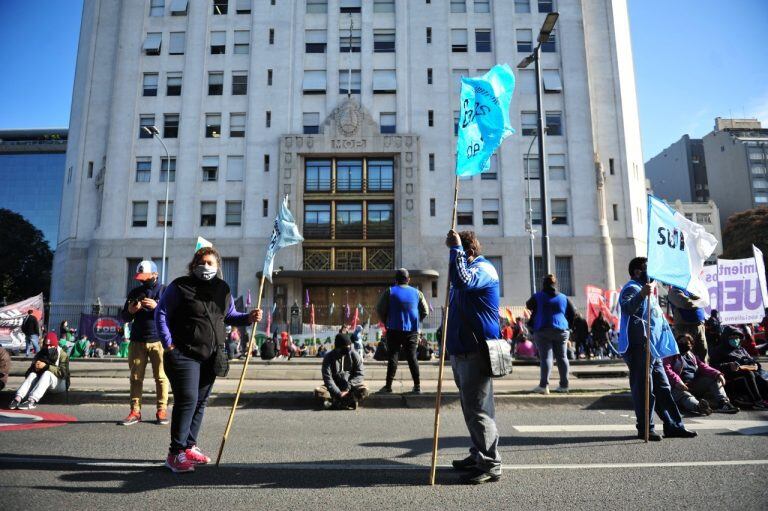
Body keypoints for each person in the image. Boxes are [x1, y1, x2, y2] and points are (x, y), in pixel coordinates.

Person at [155, 246, 262, 473]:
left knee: (200, 402)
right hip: (183, 354)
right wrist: (169, 344)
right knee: (188, 400)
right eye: (202, 262)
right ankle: (175, 454)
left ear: (217, 266)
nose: (206, 266)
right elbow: (161, 313)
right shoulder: (179, 286)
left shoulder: (222, 289)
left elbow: (230, 315)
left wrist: (249, 317)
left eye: (210, 263)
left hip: (211, 356)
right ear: (194, 264)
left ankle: (189, 446)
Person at [445, 229, 502, 484]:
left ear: (469, 252)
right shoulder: (466, 269)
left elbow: (462, 281)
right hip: (461, 350)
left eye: (459, 254)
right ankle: (478, 453)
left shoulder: (484, 269)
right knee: (470, 408)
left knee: (479, 410)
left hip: (476, 351)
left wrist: (455, 249)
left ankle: (490, 463)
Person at [618, 257, 696, 441]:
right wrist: (641, 294)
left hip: (653, 348)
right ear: (637, 271)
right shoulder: (632, 288)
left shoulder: (650, 291)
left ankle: (674, 426)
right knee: (645, 389)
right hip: (639, 347)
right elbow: (627, 307)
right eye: (647, 268)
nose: (652, 271)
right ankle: (646, 428)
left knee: (663, 387)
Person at [119, 260, 170, 426]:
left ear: (155, 274)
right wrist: (130, 311)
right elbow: (125, 317)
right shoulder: (135, 292)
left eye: (146, 277)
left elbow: (173, 315)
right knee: (135, 377)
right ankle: (135, 411)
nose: (142, 280)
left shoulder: (165, 290)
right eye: (140, 277)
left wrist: (157, 306)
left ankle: (162, 409)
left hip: (159, 340)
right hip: (137, 340)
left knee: (161, 377)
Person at [376, 268, 429, 394]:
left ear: (396, 280)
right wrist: (415, 320)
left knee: (393, 357)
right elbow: (425, 311)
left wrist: (386, 321)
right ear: (408, 279)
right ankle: (417, 386)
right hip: (412, 331)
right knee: (412, 357)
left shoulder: (390, 291)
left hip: (393, 329)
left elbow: (379, 309)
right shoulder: (417, 293)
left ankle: (388, 386)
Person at [663, 333, 739, 415]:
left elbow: (704, 367)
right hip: (677, 387)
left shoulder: (692, 356)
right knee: (685, 396)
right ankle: (699, 407)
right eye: (681, 341)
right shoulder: (671, 355)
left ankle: (724, 403)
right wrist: (677, 381)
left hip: (693, 385)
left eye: (686, 342)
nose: (683, 343)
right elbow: (667, 369)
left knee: (714, 378)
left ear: (691, 345)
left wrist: (718, 374)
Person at [525, 274, 575, 394]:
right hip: (562, 329)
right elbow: (573, 312)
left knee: (546, 357)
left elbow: (528, 305)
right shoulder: (564, 297)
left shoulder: (538, 296)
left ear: (544, 284)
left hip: (543, 328)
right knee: (562, 357)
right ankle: (564, 385)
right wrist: (569, 325)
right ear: (555, 284)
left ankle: (544, 386)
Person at [709, 325, 768, 409]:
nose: (735, 339)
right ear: (726, 337)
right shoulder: (719, 350)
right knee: (748, 373)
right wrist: (729, 365)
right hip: (731, 377)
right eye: (732, 337)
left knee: (761, 375)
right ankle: (758, 401)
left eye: (737, 337)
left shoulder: (741, 349)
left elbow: (752, 360)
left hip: (748, 371)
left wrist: (756, 365)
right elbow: (713, 366)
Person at [8, 334, 69, 410]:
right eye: (46, 345)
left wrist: (46, 366)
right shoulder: (40, 354)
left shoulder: (62, 354)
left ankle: (32, 401)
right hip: (42, 383)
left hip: (59, 384)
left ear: (55, 345)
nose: (48, 348)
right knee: (32, 375)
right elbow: (27, 374)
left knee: (47, 373)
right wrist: (35, 368)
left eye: (51, 345)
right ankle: (18, 398)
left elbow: (63, 373)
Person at [314, 333, 369, 410]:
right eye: (345, 347)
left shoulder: (354, 355)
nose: (348, 349)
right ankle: (347, 402)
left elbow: (360, 374)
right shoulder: (328, 357)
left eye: (349, 347)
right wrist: (338, 393)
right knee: (318, 391)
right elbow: (328, 379)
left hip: (351, 387)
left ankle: (336, 403)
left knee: (364, 390)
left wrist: (348, 388)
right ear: (337, 347)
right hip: (334, 388)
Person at [667, 286, 709, 360]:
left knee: (703, 352)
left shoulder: (690, 290)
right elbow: (686, 303)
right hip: (685, 327)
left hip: (699, 325)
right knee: (688, 353)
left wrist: (698, 301)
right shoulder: (674, 291)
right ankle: (689, 370)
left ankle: (704, 370)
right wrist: (698, 302)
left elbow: (703, 299)